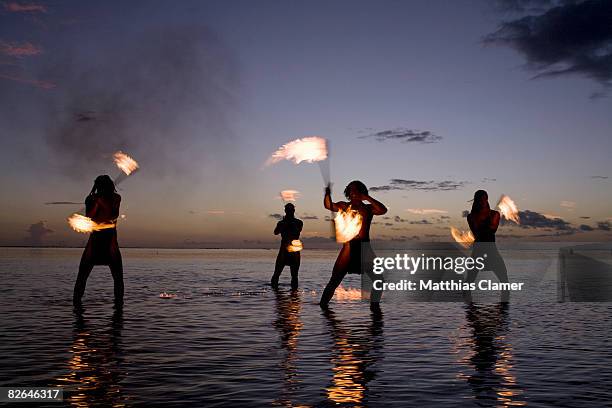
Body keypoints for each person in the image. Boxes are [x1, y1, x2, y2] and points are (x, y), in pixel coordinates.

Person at [319, 180, 387, 311]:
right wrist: (327, 194)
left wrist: (366, 197)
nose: (353, 192)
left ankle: (374, 307)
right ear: (348, 193)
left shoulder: (368, 208)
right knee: (334, 281)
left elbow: (383, 210)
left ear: (361, 191)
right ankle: (323, 307)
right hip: (348, 248)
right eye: (351, 190)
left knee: (379, 280)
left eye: (356, 190)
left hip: (365, 248)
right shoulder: (343, 206)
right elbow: (328, 206)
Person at [73, 175, 124, 307]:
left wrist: (103, 202)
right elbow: (90, 216)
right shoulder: (90, 199)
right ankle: (76, 304)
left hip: (110, 241)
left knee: (118, 278)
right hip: (95, 241)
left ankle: (119, 306)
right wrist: (96, 203)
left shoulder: (116, 198)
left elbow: (113, 215)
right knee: (82, 276)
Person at [465, 189, 509, 302]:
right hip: (478, 251)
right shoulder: (471, 217)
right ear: (476, 201)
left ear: (487, 199)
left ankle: (503, 313)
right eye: (480, 200)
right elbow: (477, 232)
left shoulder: (495, 214)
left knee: (505, 283)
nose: (482, 202)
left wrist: (486, 223)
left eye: (484, 199)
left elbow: (492, 230)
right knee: (468, 285)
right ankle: (470, 313)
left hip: (491, 251)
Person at [271, 203, 303, 291]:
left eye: (291, 210)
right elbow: (275, 232)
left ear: (293, 211)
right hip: (284, 251)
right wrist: (283, 224)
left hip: (294, 250)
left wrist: (289, 224)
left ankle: (294, 295)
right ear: (285, 211)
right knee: (276, 274)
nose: (289, 212)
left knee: (294, 275)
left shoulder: (298, 222)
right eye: (288, 210)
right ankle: (274, 293)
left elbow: (298, 231)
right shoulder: (281, 223)